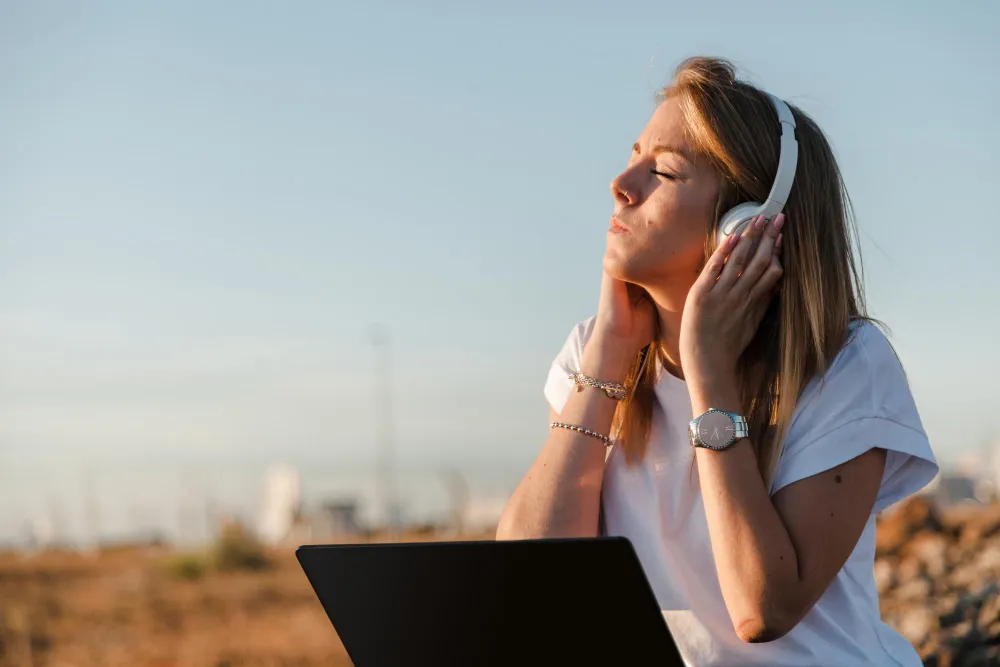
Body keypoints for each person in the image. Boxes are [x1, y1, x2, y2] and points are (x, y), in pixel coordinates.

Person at [496, 56, 938, 666]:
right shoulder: (593, 354)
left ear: (747, 223)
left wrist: (711, 376)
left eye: (665, 172)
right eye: (633, 155)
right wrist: (607, 357)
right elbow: (531, 576)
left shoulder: (845, 364)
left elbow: (763, 609)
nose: (621, 183)